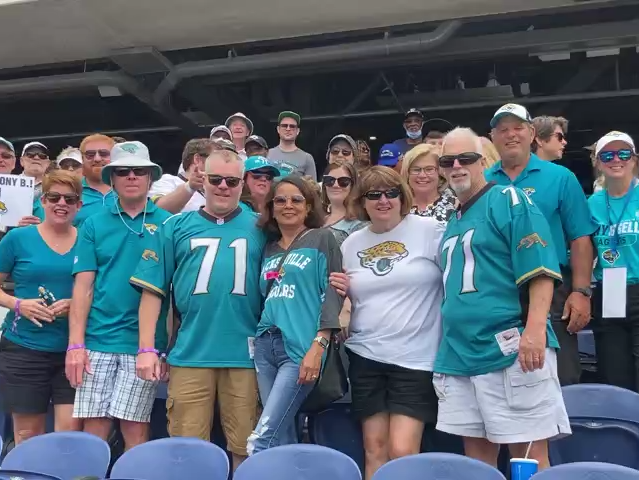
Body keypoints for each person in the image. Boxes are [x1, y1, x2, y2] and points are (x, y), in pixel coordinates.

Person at [435, 127, 570, 470]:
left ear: (483, 162)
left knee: (526, 460)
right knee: (478, 463)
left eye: (465, 158)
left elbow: (540, 270)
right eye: (447, 160)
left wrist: (535, 330)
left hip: (509, 348)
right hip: (462, 354)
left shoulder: (508, 199)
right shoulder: (455, 216)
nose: (456, 166)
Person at [133, 149, 264, 471]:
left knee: (247, 448)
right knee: (188, 451)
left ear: (241, 183)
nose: (223, 186)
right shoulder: (175, 226)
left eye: (231, 181)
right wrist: (147, 348)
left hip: (246, 358)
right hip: (190, 353)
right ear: (201, 179)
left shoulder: (262, 226)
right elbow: (153, 292)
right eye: (215, 179)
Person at [341, 166, 445, 480]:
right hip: (365, 355)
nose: (383, 200)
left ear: (403, 196)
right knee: (374, 447)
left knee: (402, 451)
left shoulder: (431, 230)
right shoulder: (350, 243)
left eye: (391, 193)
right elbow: (347, 293)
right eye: (374, 195)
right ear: (362, 201)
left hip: (416, 359)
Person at [65, 141, 170, 451]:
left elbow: (174, 294)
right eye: (122, 171)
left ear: (150, 177)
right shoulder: (92, 223)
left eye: (139, 170)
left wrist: (164, 347)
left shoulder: (168, 223)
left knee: (136, 430)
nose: (131, 176)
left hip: (144, 345)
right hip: (97, 339)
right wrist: (75, 344)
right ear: (111, 178)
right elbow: (82, 287)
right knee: (93, 430)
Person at [485, 103, 596, 386]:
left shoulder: (560, 177)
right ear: (492, 137)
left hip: (553, 284)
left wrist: (581, 291)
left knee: (561, 373)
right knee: (501, 373)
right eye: (503, 129)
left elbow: (580, 237)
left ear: (532, 133)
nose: (511, 135)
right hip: (498, 288)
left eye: (518, 128)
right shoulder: (482, 181)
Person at [248, 175, 343, 454]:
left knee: (263, 438)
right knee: (282, 434)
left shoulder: (322, 238)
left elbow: (333, 291)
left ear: (308, 205)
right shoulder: (269, 248)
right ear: (272, 207)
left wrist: (320, 344)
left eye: (296, 199)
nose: (288, 205)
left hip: (301, 346)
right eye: (280, 200)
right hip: (265, 345)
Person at [0, 170, 83, 444]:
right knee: (27, 435)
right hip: (24, 348)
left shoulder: (88, 240)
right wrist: (18, 303)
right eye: (54, 197)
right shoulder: (18, 238)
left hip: (73, 350)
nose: (62, 203)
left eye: (70, 199)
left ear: (79, 204)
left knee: (68, 436)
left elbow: (101, 290)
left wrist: (77, 303)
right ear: (43, 201)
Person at [588, 131, 639, 391]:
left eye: (623, 154)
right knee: (615, 376)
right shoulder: (592, 204)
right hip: (609, 291)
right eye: (607, 155)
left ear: (634, 160)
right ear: (598, 162)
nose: (615, 159)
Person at [150, 138, 214, 214]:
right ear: (197, 159)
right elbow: (158, 210)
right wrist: (190, 187)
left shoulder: (213, 189)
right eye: (215, 159)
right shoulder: (167, 180)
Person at [401, 143, 457, 222]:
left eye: (429, 169)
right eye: (416, 169)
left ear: (439, 172)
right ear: (407, 173)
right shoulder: (398, 206)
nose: (422, 175)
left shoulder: (456, 205)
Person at [74, 134, 118, 226]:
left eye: (104, 154)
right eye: (90, 155)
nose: (97, 159)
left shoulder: (128, 188)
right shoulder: (71, 191)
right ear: (82, 159)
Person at [322, 160, 367, 245]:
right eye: (329, 180)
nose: (335, 185)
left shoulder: (360, 225)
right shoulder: (316, 220)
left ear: (352, 185)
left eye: (343, 181)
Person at [268, 111, 317, 180]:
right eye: (284, 126)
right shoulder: (267, 154)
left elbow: (313, 188)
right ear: (278, 129)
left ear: (298, 131)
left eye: (292, 126)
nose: (288, 129)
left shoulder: (307, 158)